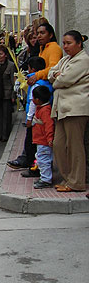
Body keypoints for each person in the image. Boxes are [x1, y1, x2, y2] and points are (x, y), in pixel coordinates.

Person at [49, 31, 89, 192]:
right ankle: (68, 178)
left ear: (79, 43)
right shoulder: (66, 60)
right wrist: (57, 76)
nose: (65, 47)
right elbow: (52, 74)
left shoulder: (83, 60)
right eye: (64, 43)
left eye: (69, 43)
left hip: (76, 108)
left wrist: (57, 77)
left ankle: (77, 182)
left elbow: (63, 80)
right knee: (58, 144)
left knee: (75, 146)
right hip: (62, 109)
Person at [7, 56, 53, 174]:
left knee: (32, 144)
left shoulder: (36, 85)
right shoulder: (45, 82)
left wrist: (29, 118)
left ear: (32, 69)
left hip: (35, 120)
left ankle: (33, 167)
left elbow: (33, 102)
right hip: (39, 118)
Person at [31, 86, 55, 189]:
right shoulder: (42, 108)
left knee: (43, 159)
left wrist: (49, 138)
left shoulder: (45, 110)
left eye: (33, 98)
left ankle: (46, 179)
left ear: (38, 100)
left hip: (43, 140)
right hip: (41, 140)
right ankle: (45, 176)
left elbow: (49, 125)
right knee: (42, 158)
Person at [27, 22, 63, 87]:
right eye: (37, 33)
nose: (39, 36)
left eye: (42, 33)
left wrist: (37, 75)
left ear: (50, 35)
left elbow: (53, 68)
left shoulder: (54, 48)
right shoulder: (42, 48)